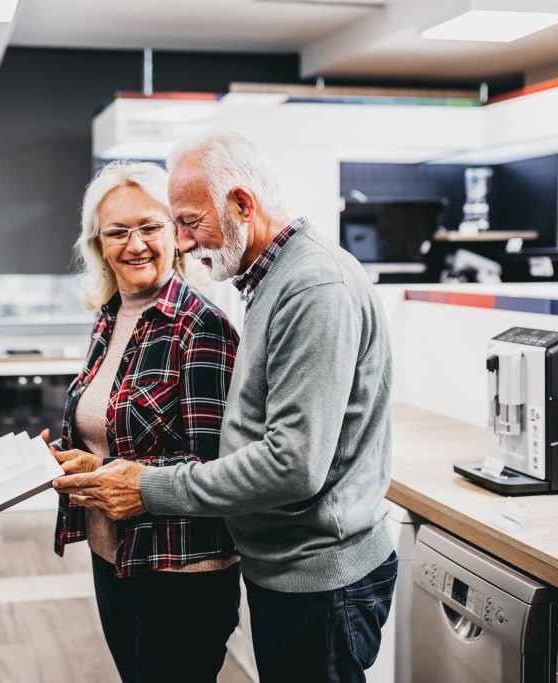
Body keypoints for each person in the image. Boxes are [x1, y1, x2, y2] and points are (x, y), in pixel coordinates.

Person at [55, 130, 396, 683]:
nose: (182, 242)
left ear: (241, 203)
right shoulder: (267, 283)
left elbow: (292, 464)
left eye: (184, 222)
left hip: (318, 574)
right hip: (286, 567)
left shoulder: (312, 287)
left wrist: (143, 486)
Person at [41, 160, 241, 683]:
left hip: (179, 571)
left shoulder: (201, 327)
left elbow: (215, 465)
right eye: (117, 232)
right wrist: (72, 460)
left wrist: (113, 469)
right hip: (115, 557)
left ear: (177, 234)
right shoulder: (109, 317)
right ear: (98, 245)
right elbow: (107, 431)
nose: (135, 244)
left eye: (150, 226)